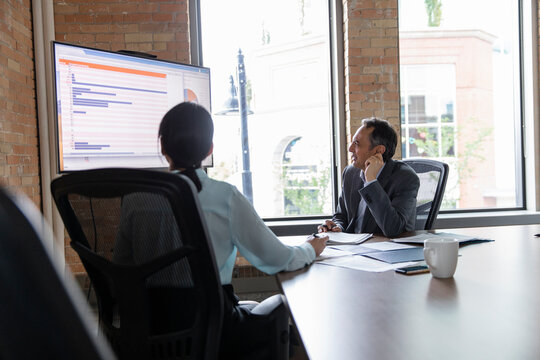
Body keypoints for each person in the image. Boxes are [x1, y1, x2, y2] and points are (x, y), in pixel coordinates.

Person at [117, 101, 328, 359]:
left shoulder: (134, 198)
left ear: (162, 147)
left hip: (151, 332)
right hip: (213, 332)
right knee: (281, 307)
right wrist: (310, 249)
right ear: (209, 150)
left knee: (248, 306)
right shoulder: (224, 197)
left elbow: (122, 269)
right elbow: (277, 260)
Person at [318, 117, 419, 238]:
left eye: (357, 144)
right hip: (355, 249)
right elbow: (341, 216)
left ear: (379, 151)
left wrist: (371, 181)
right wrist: (337, 227)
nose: (350, 149)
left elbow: (393, 229)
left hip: (386, 250)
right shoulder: (350, 173)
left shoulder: (405, 178)